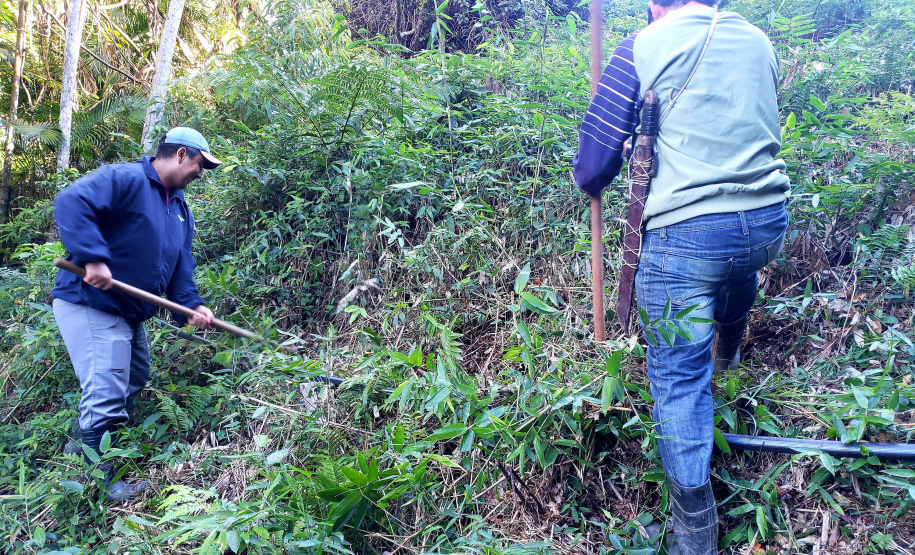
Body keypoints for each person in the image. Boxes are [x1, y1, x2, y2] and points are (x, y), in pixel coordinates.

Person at [573, 1, 790, 553]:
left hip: (688, 239)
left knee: (677, 379)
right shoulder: (759, 40)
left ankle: (694, 534)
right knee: (734, 264)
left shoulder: (640, 48)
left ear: (653, 1)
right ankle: (730, 353)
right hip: (767, 224)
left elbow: (593, 167)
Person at [52, 127, 221, 503]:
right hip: (89, 303)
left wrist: (192, 306)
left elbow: (180, 267)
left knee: (135, 375)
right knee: (108, 385)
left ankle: (86, 444)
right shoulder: (124, 178)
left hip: (128, 312)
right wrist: (93, 256)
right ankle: (102, 481)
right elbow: (71, 201)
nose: (201, 173)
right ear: (180, 154)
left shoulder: (179, 208)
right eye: (200, 164)